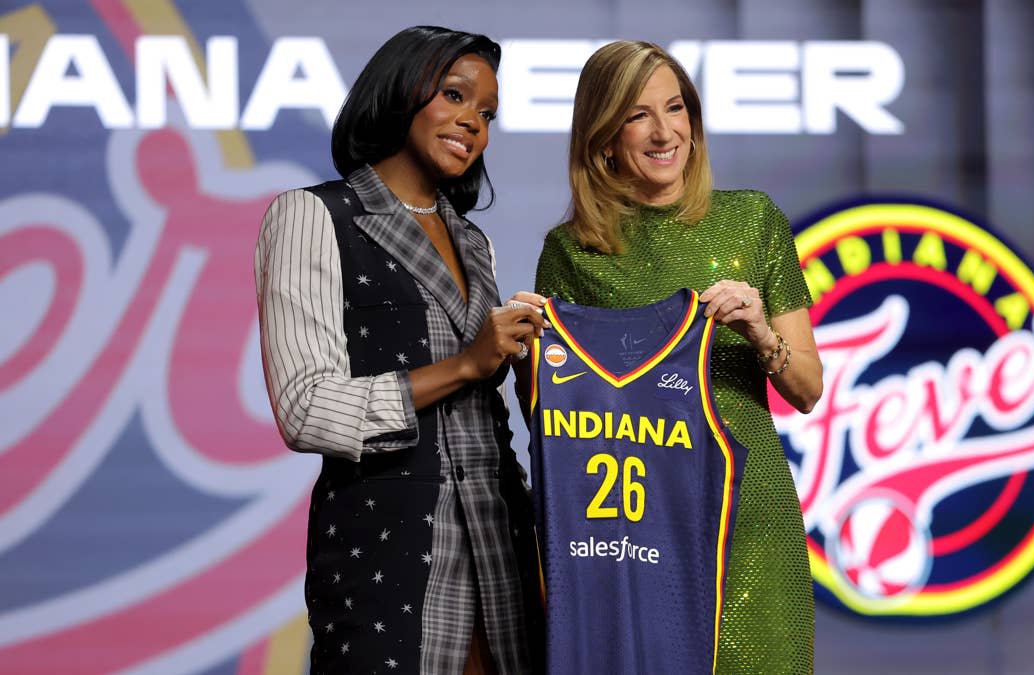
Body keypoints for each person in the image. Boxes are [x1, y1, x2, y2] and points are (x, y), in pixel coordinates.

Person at [255, 26, 545, 674]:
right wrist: (466, 363)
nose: (473, 122)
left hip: (500, 554)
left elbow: (483, 412)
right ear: (401, 89)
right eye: (454, 95)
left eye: (487, 113)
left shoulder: (475, 243)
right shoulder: (311, 215)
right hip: (388, 563)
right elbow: (306, 408)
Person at [533, 40, 824, 674]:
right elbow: (564, 412)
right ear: (604, 136)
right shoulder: (572, 251)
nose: (665, 132)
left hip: (752, 515)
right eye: (639, 115)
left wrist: (760, 334)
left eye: (675, 108)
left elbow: (808, 389)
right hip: (639, 528)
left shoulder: (754, 220)